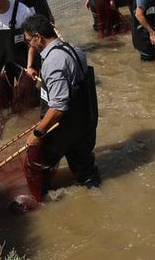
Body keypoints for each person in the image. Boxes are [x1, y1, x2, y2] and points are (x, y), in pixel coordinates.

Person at [24, 15, 100, 191]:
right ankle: (95, 194)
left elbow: (58, 107)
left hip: (64, 127)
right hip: (86, 120)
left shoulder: (52, 62)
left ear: (38, 37)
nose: (30, 45)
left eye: (29, 40)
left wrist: (37, 133)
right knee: (85, 168)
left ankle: (43, 205)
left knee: (37, 165)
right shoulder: (73, 49)